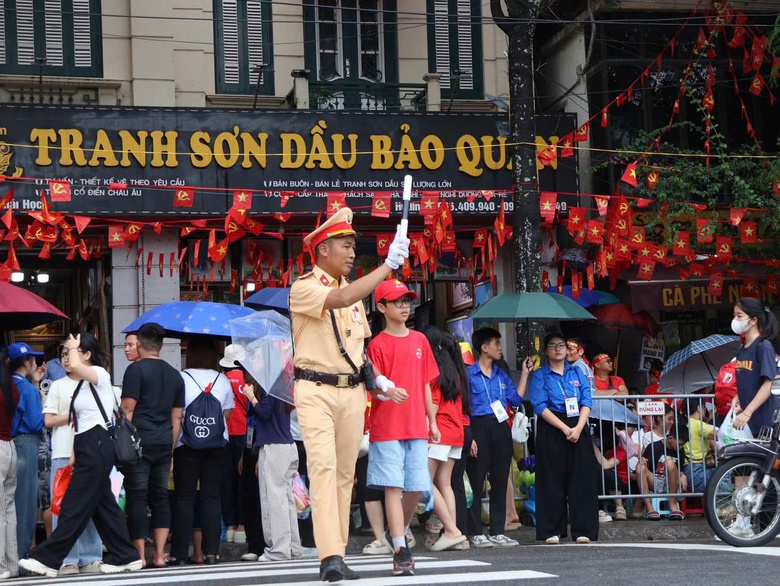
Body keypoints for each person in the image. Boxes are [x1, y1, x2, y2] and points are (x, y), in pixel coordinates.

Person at [289, 207, 409, 583]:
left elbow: (360, 353)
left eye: (354, 245)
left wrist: (380, 381)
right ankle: (330, 557)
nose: (352, 252)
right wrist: (387, 267)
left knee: (344, 477)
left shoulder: (355, 296)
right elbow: (338, 300)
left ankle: (337, 553)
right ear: (323, 249)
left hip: (352, 393)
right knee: (323, 470)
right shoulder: (305, 286)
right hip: (315, 390)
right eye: (346, 245)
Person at [18, 333, 142, 577]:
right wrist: (75, 453)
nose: (67, 356)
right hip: (86, 445)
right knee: (103, 506)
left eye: (73, 350)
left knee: (74, 504)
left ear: (86, 354)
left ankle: (49, 558)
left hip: (98, 445)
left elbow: (75, 365)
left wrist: (73, 346)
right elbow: (81, 421)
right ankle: (126, 555)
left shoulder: (100, 375)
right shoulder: (81, 385)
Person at [366, 279, 440, 576]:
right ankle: (400, 548)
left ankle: (400, 529)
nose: (405, 306)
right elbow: (372, 387)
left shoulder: (420, 340)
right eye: (397, 301)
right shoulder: (376, 344)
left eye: (407, 300)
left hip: (415, 425)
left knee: (417, 486)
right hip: (387, 426)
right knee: (393, 487)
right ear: (382, 307)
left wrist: (432, 420)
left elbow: (425, 384)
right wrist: (387, 392)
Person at [120, 322, 185, 568]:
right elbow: (176, 417)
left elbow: (127, 408)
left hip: (138, 443)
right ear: (162, 345)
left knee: (137, 496)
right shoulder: (174, 374)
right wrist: (170, 449)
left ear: (139, 343)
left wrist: (121, 443)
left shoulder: (135, 371)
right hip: (163, 442)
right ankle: (159, 554)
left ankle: (140, 556)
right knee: (160, 497)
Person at [529, 332, 598, 545]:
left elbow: (587, 399)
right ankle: (552, 530)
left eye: (562, 345)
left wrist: (577, 427)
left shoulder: (577, 372)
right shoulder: (540, 375)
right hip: (553, 426)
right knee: (552, 479)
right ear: (546, 350)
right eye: (553, 346)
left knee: (582, 479)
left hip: (578, 424)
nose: (558, 349)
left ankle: (583, 529)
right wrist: (564, 428)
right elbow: (539, 406)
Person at [42, 345, 104, 575]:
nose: (66, 359)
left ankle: (91, 556)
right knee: (63, 506)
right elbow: (48, 420)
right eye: (63, 356)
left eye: (70, 354)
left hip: (91, 452)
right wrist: (74, 415)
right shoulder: (58, 386)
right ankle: (67, 557)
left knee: (90, 505)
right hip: (62, 451)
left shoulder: (95, 382)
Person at [171, 337, 233, 566]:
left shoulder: (181, 378)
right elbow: (225, 416)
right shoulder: (222, 380)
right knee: (211, 497)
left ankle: (178, 553)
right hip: (216, 446)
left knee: (184, 497)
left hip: (186, 445)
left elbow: (176, 414)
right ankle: (211, 553)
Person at [464, 328, 522, 549]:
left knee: (499, 479)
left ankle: (498, 531)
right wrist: (469, 437)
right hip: (478, 427)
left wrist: (525, 374)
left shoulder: (501, 374)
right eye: (496, 343)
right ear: (484, 347)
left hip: (500, 427)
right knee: (477, 480)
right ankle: (475, 531)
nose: (500, 347)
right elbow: (465, 408)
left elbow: (515, 399)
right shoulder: (469, 374)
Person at [240, 378, 301, 562]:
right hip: (288, 445)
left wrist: (251, 396)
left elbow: (264, 413)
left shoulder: (270, 386)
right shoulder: (282, 386)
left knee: (274, 499)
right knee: (288, 499)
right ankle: (292, 546)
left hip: (274, 446)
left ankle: (279, 549)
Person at [421, 326, 470, 552]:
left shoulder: (434, 372)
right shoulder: (454, 372)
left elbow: (433, 404)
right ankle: (455, 533)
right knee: (445, 483)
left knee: (425, 481)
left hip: (438, 432)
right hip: (455, 433)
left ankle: (451, 531)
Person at [8, 342, 45, 561]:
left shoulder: (9, 384)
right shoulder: (28, 389)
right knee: (26, 503)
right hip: (26, 443)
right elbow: (34, 422)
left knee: (10, 503)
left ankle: (10, 556)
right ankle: (21, 556)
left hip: (10, 443)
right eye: (34, 359)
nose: (36, 363)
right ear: (26, 362)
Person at [730, 297, 780, 436]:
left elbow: (769, 384)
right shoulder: (742, 349)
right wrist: (738, 397)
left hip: (766, 420)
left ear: (753, 320)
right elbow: (749, 380)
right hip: (749, 422)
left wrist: (748, 412)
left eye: (740, 316)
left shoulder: (763, 347)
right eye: (734, 316)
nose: (735, 320)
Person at [220, 344, 248, 545]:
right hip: (246, 434)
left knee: (226, 481)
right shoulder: (249, 379)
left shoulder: (221, 380)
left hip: (225, 434)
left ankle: (229, 525)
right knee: (243, 482)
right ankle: (242, 526)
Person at [642, 421, 689, 520]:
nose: (681, 447)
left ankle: (672, 503)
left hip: (673, 485)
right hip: (656, 482)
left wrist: (682, 475)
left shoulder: (680, 451)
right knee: (640, 467)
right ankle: (649, 506)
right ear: (671, 438)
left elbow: (680, 469)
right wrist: (642, 463)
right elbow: (642, 469)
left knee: (670, 463)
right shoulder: (653, 447)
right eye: (680, 444)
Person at [0, 349, 20, 580]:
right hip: (10, 447)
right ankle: (11, 564)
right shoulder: (12, 389)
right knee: (9, 508)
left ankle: (1, 565)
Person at [683, 397, 717, 493]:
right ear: (699, 408)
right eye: (704, 407)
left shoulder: (683, 423)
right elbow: (719, 436)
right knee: (726, 473)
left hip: (687, 471)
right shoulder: (698, 424)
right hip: (699, 472)